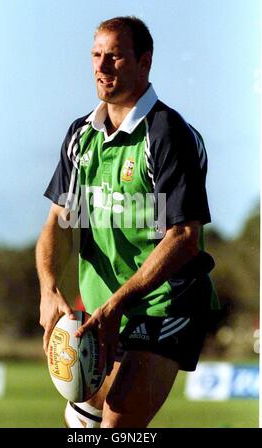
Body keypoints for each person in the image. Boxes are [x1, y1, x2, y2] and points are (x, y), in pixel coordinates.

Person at [36, 16, 219, 428]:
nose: (102, 67)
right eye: (97, 56)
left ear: (144, 62)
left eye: (115, 57)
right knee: (81, 421)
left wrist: (116, 305)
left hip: (165, 304)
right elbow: (59, 224)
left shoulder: (167, 133)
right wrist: (49, 289)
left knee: (117, 427)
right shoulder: (80, 135)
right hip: (104, 313)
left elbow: (184, 237)